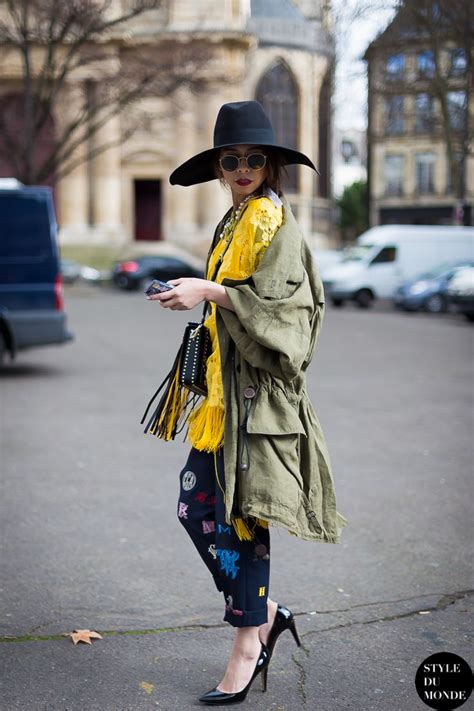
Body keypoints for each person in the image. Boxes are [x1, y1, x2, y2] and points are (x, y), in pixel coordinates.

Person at [146, 101, 346, 705]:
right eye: (230, 159)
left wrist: (211, 291)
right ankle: (265, 615)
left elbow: (293, 328)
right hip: (223, 400)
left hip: (260, 406)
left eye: (253, 159)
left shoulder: (276, 226)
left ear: (271, 166)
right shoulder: (234, 222)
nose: (241, 168)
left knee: (240, 518)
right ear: (218, 167)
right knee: (196, 509)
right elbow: (232, 303)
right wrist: (197, 296)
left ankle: (246, 643)